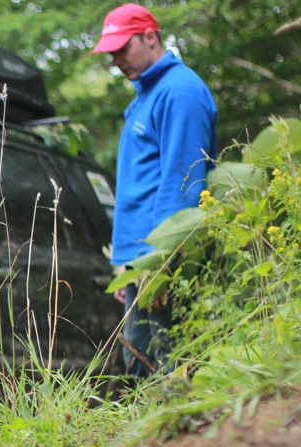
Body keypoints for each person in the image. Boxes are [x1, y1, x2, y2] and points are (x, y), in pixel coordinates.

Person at [92, 3, 217, 378]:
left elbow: (183, 180)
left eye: (122, 48)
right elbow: (139, 186)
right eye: (110, 52)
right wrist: (127, 262)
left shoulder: (180, 92)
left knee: (168, 365)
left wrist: (159, 261)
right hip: (141, 257)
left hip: (163, 254)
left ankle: (194, 435)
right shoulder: (144, 97)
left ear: (151, 37)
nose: (116, 60)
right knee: (141, 364)